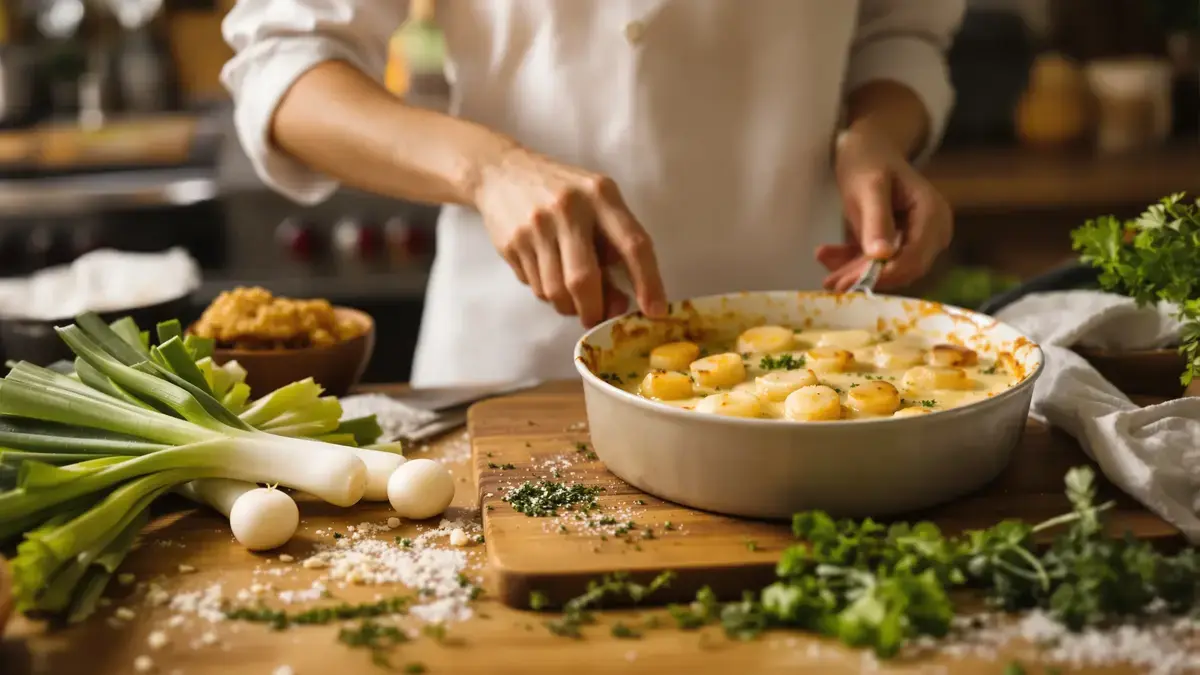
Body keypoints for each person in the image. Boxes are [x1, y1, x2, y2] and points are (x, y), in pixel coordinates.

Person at [221, 1, 965, 387]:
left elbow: (902, 33)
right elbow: (283, 67)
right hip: (515, 361)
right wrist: (490, 167)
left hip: (810, 355)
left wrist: (876, 134)